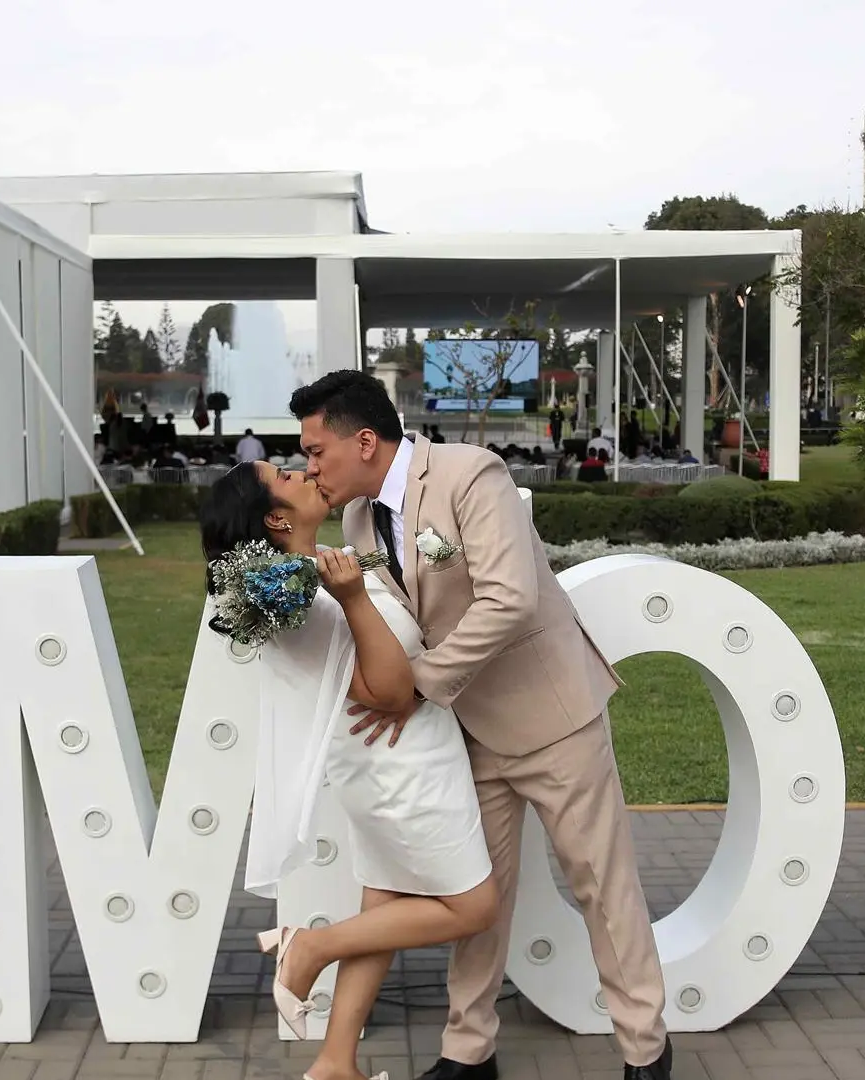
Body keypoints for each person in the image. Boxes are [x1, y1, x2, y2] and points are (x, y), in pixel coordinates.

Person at [294, 371, 672, 1080]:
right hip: (465, 736)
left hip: (552, 716)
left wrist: (419, 689)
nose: (311, 466)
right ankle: (469, 1053)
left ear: (365, 440)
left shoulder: (472, 474)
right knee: (477, 898)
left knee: (601, 885)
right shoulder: (354, 523)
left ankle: (645, 1049)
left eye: (317, 450)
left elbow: (510, 599)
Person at [202, 462, 498, 1080]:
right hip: (405, 769)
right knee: (472, 909)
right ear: (276, 518)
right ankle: (308, 946)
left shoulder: (311, 573)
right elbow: (388, 692)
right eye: (284, 474)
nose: (304, 470)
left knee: (386, 904)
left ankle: (336, 1063)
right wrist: (357, 596)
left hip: (387, 765)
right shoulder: (303, 592)